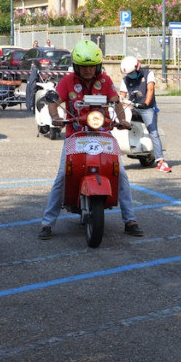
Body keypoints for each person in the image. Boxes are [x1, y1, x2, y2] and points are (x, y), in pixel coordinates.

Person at [38, 40, 144, 239]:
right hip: (75, 135)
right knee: (62, 176)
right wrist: (56, 117)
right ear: (77, 66)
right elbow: (54, 102)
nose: (88, 71)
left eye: (91, 67)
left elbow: (116, 102)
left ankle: (130, 220)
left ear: (98, 66)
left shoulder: (104, 80)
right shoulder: (68, 81)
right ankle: (47, 223)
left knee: (121, 173)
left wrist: (122, 120)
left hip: (102, 134)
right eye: (84, 67)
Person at [119, 56, 170, 173]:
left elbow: (150, 89)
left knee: (153, 132)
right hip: (133, 107)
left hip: (147, 108)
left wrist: (146, 103)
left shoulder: (148, 74)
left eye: (132, 73)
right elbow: (122, 96)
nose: (130, 75)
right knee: (119, 124)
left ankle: (161, 161)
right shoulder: (125, 80)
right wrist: (123, 105)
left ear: (137, 68)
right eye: (129, 73)